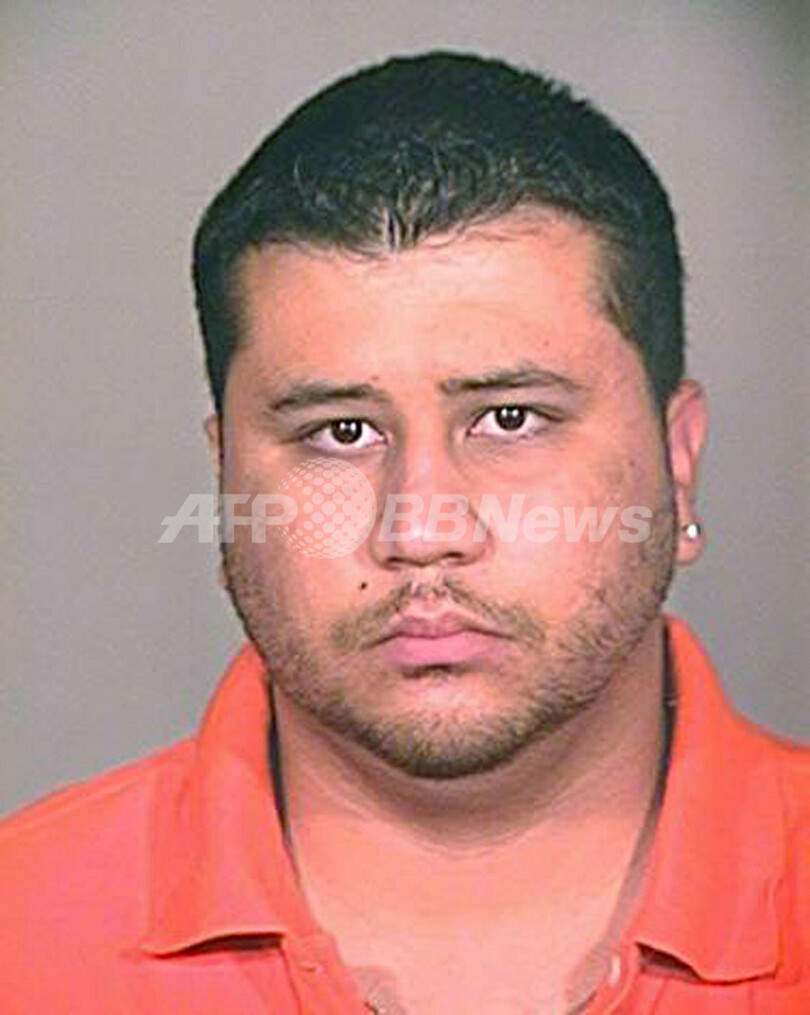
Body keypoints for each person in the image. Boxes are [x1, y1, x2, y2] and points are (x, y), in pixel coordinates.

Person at [1, 51, 807, 1015]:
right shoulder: (22, 931)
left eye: (510, 418)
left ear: (677, 463)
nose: (421, 529)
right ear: (226, 480)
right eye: (340, 432)